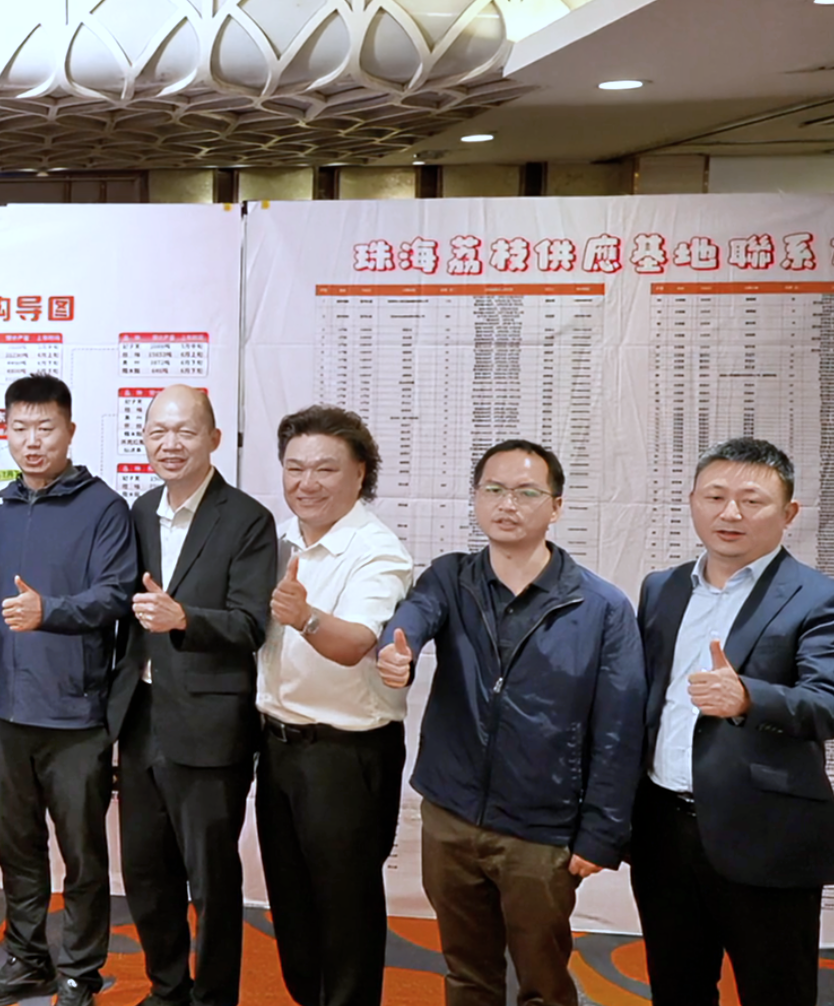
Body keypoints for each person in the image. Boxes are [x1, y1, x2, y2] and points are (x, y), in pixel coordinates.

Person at [378, 439, 644, 1006]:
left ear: (556, 506)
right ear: (476, 498)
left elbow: (620, 730)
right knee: (466, 974)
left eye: (526, 493)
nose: (507, 504)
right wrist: (396, 651)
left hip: (540, 831)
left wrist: (601, 832)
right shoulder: (450, 577)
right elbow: (413, 618)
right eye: (494, 490)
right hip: (451, 815)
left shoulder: (601, 607)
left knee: (542, 982)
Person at [630, 437, 834, 1006]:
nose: (730, 513)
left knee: (777, 992)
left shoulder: (817, 597)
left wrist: (749, 698)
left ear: (789, 513)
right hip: (663, 828)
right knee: (677, 988)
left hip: (765, 833)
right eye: (715, 496)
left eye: (752, 500)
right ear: (693, 501)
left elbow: (827, 703)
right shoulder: (662, 588)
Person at [0, 373, 137, 1006]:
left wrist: (50, 612)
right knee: (18, 850)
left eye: (45, 428)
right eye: (20, 428)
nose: (32, 441)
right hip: (7, 714)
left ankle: (80, 973)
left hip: (75, 717)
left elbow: (116, 596)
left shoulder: (104, 507)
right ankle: (27, 958)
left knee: (83, 856)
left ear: (69, 431)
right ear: (6, 433)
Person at [105, 386, 277, 1006]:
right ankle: (168, 988)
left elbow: (251, 624)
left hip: (209, 723)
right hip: (141, 718)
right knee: (145, 871)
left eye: (184, 431)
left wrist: (184, 618)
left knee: (211, 879)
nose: (169, 444)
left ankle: (214, 997)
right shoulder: (138, 510)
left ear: (213, 439)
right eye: (158, 432)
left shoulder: (247, 519)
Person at [253, 406, 414, 1006]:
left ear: (360, 473)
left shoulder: (377, 551)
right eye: (294, 468)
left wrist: (306, 618)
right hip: (278, 748)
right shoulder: (280, 539)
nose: (307, 483)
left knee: (346, 912)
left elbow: (355, 644)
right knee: (292, 903)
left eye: (324, 469)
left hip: (345, 758)